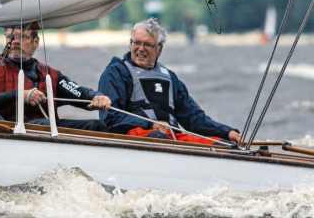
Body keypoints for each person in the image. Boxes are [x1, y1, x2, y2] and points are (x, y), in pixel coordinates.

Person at [98, 19, 242, 144]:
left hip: (171, 137)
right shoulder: (116, 73)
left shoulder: (169, 77)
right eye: (137, 43)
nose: (141, 49)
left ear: (159, 49)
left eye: (147, 45)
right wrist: (150, 124)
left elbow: (194, 118)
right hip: (135, 136)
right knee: (159, 137)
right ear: (131, 43)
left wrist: (227, 132)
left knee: (222, 144)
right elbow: (110, 117)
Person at [0, 23, 111, 131]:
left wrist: (96, 97)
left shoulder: (51, 76)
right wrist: (20, 95)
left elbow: (78, 93)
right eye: (11, 37)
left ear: (36, 42)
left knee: (96, 126)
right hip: (4, 130)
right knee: (45, 125)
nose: (15, 41)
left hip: (46, 130)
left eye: (22, 37)